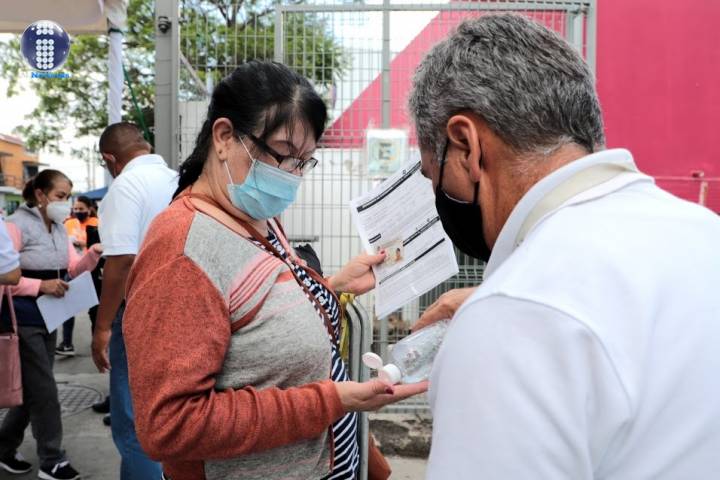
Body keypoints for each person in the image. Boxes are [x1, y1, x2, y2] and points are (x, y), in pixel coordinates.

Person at [406, 14, 720, 478]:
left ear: (467, 144)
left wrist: (503, 310)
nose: (439, 192)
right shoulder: (703, 232)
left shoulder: (514, 315)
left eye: (434, 173)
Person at [122, 60, 426, 480]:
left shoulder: (257, 219)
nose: (291, 176)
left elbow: (254, 315)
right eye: (283, 154)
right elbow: (170, 426)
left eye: (304, 162)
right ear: (224, 137)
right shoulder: (181, 253)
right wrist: (330, 401)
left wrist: (334, 287)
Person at [0, 170, 101, 480]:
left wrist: (92, 256)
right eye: (60, 196)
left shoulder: (58, 228)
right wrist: (40, 286)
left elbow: (71, 268)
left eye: (68, 196)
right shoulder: (15, 226)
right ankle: (52, 459)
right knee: (44, 390)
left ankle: (4, 447)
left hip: (50, 315)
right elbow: (5, 278)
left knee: (34, 388)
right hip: (22, 318)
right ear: (41, 195)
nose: (66, 203)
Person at [90, 122, 177, 479]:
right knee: (169, 413)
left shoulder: (125, 186)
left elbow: (122, 260)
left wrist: (101, 328)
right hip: (182, 308)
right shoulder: (177, 179)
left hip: (140, 314)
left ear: (110, 158)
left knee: (134, 421)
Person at [56, 196, 100, 356]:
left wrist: (82, 244)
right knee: (68, 307)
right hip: (71, 270)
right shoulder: (68, 223)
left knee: (94, 310)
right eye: (76, 209)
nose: (78, 211)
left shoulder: (96, 223)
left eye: (81, 209)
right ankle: (67, 343)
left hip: (92, 270)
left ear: (89, 209)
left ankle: (98, 343)